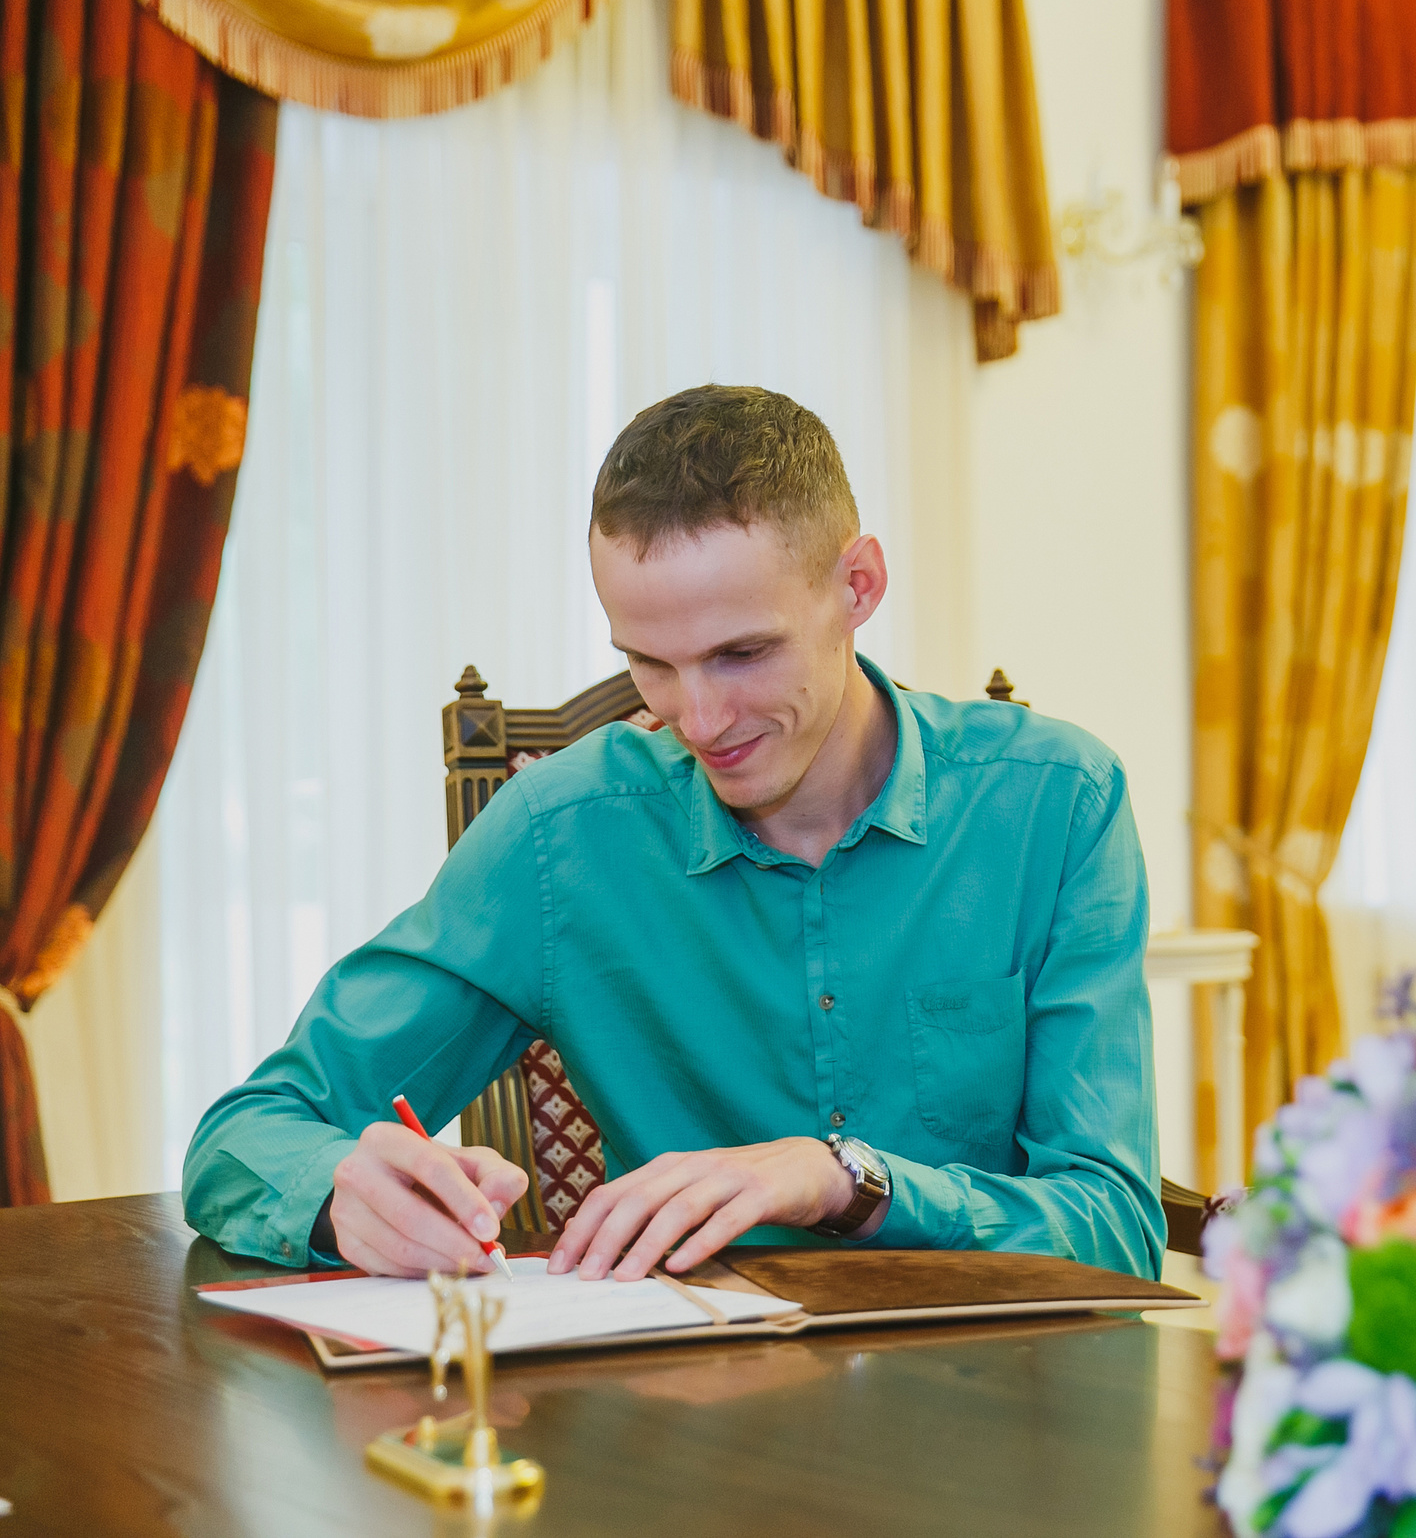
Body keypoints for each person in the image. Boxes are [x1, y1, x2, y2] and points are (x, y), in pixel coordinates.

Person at [184, 386, 1163, 1281]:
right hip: (680, 1430)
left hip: (995, 1419)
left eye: (742, 653)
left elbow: (1115, 1225)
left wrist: (841, 1181)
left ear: (857, 586)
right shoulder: (557, 839)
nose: (695, 720)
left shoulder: (1058, 805)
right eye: (651, 662)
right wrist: (346, 1198)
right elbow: (247, 1136)